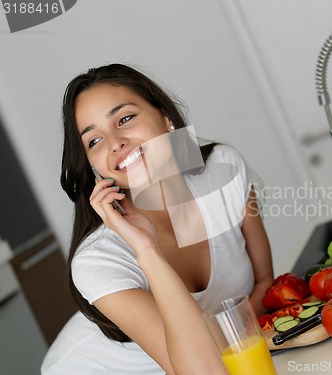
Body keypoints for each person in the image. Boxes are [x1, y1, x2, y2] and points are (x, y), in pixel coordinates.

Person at [41, 63, 275, 374]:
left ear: (166, 118)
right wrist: (146, 249)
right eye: (94, 141)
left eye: (125, 119)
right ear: (94, 165)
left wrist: (219, 342)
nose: (115, 142)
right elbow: (201, 370)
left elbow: (265, 284)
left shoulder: (220, 170)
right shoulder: (97, 259)